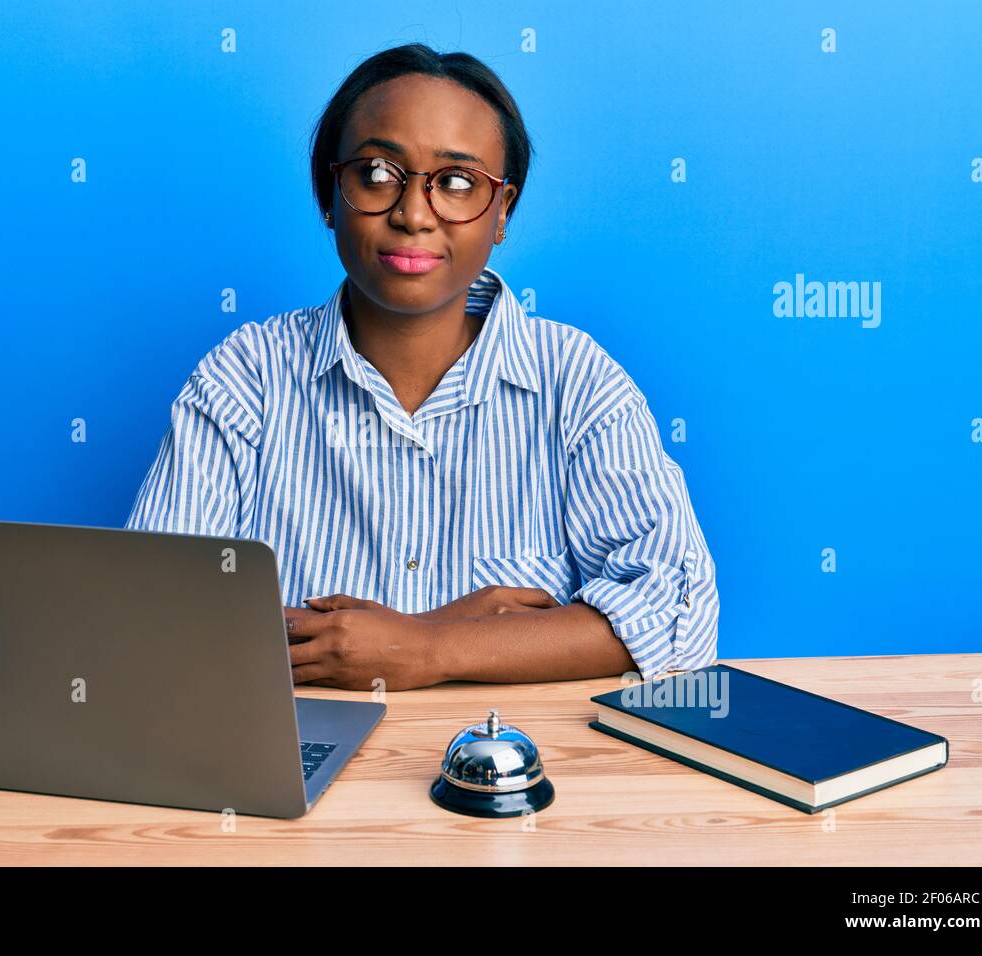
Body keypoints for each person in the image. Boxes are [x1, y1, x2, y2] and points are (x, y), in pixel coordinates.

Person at [126, 43, 719, 690]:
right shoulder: (246, 377)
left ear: (501, 214)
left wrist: (431, 645)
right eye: (377, 173)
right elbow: (154, 616)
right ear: (331, 195)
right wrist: (461, 626)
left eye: (458, 183)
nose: (412, 214)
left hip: (521, 771)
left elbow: (680, 615)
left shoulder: (576, 382)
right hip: (293, 768)